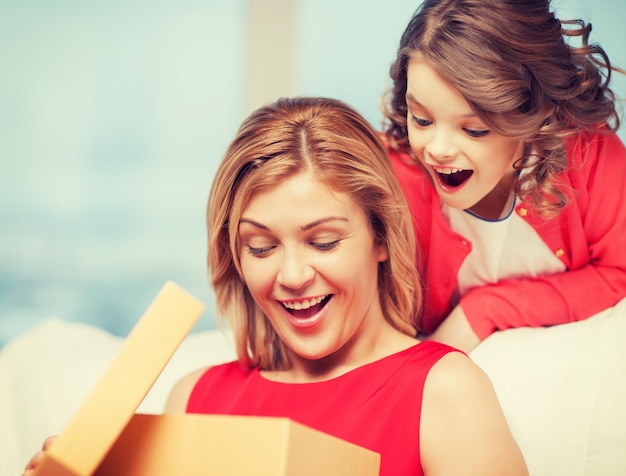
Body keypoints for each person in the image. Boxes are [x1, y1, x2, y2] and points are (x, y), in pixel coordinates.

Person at [23, 97, 528, 475]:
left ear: (380, 238)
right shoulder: (194, 397)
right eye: (261, 248)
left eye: (324, 242)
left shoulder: (443, 390)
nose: (290, 276)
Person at [383, 0, 626, 352]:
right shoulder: (390, 179)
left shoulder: (588, 150)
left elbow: (620, 272)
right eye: (421, 119)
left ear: (535, 117)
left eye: (474, 130)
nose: (437, 149)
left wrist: (486, 310)